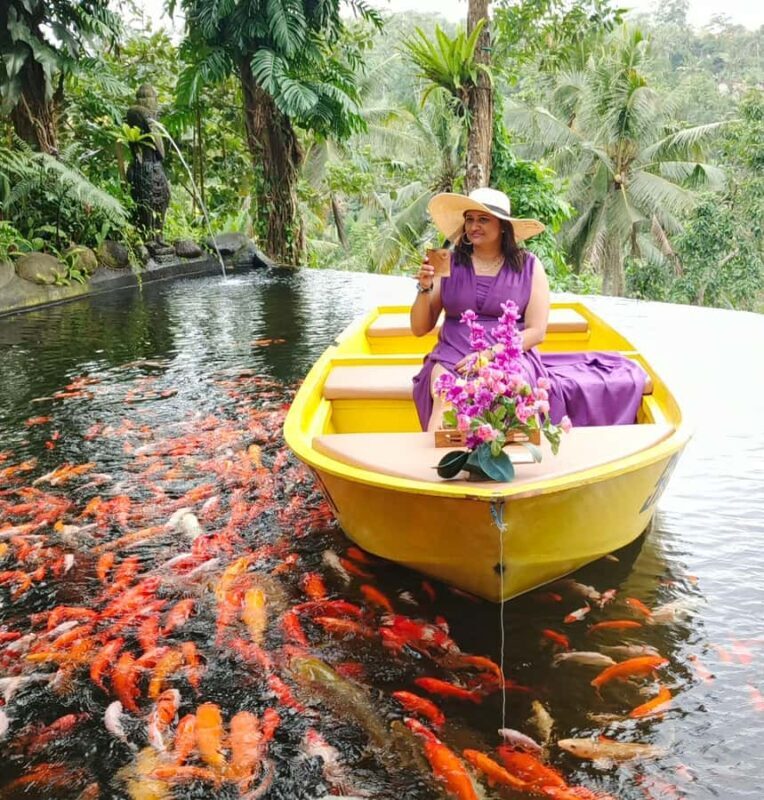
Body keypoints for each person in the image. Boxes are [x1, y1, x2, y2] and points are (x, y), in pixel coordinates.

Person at [411, 187, 646, 431]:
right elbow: (419, 328)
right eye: (469, 219)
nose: (473, 226)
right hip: (454, 355)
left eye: (483, 219)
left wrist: (490, 355)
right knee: (446, 397)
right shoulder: (444, 259)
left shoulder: (530, 266)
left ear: (503, 225)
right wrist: (424, 288)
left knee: (516, 395)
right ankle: (441, 465)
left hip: (509, 354)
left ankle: (523, 463)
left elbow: (536, 331)